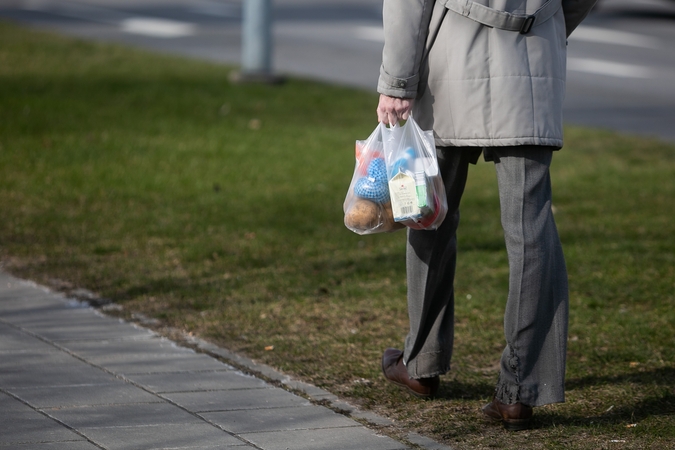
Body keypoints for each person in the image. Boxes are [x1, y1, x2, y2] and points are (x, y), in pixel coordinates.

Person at [376, 0, 598, 431]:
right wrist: (544, 28)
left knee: (429, 215)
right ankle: (519, 392)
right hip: (530, 64)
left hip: (448, 66)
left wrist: (397, 82)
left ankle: (421, 362)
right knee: (531, 231)